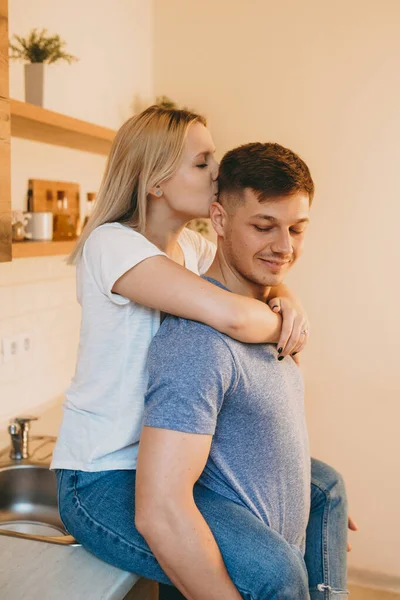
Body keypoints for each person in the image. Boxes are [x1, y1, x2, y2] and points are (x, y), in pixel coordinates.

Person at [51, 108, 354, 598]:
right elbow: (234, 315)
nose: (217, 172)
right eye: (202, 162)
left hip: (165, 452)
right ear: (154, 180)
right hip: (103, 475)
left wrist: (286, 296)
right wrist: (286, 320)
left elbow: (254, 280)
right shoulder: (111, 245)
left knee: (322, 486)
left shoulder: (187, 249)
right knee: (271, 570)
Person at [136, 142, 351, 600]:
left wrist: (304, 495)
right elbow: (162, 509)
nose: (284, 247)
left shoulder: (270, 317)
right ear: (218, 219)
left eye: (297, 228)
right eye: (264, 226)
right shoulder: (197, 343)